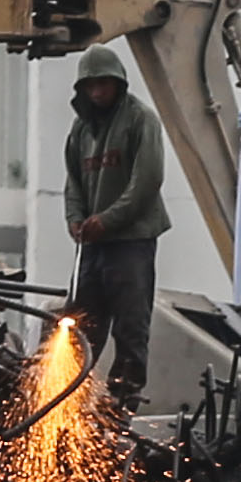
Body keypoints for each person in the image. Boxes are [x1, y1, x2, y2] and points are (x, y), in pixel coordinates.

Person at [61, 49, 168, 408]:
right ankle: (68, 400)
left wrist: (107, 220)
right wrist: (75, 218)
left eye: (103, 84)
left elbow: (146, 181)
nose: (97, 92)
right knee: (78, 324)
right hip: (91, 246)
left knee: (130, 326)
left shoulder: (141, 120)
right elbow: (73, 182)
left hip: (130, 242)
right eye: (90, 86)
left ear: (118, 83)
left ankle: (121, 403)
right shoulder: (80, 130)